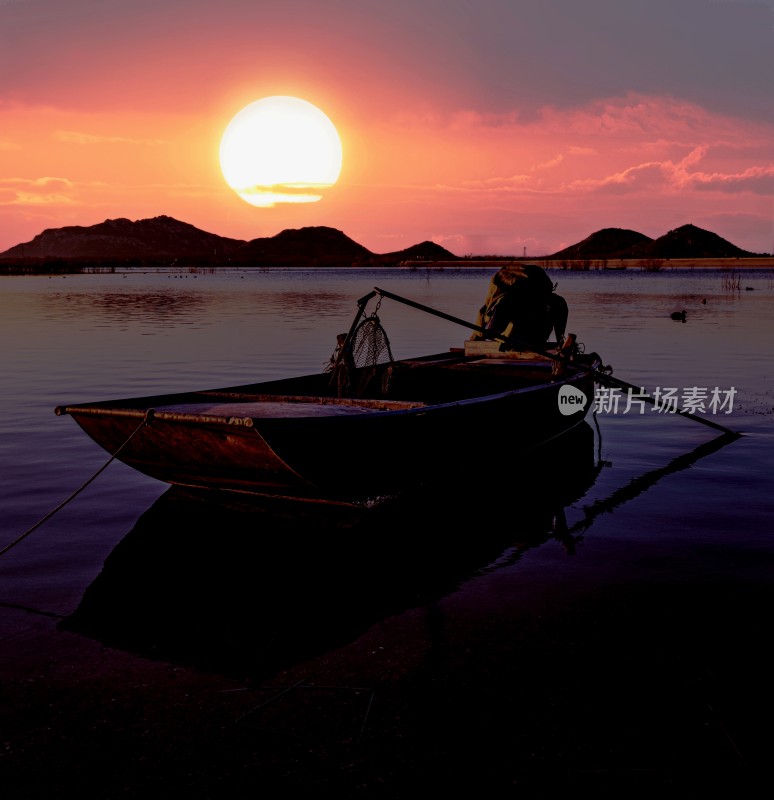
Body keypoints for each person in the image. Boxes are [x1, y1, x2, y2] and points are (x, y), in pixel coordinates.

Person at [470, 263, 568, 350]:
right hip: (520, 339)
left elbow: (488, 329)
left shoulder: (554, 302)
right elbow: (488, 328)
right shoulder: (507, 298)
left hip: (525, 340)